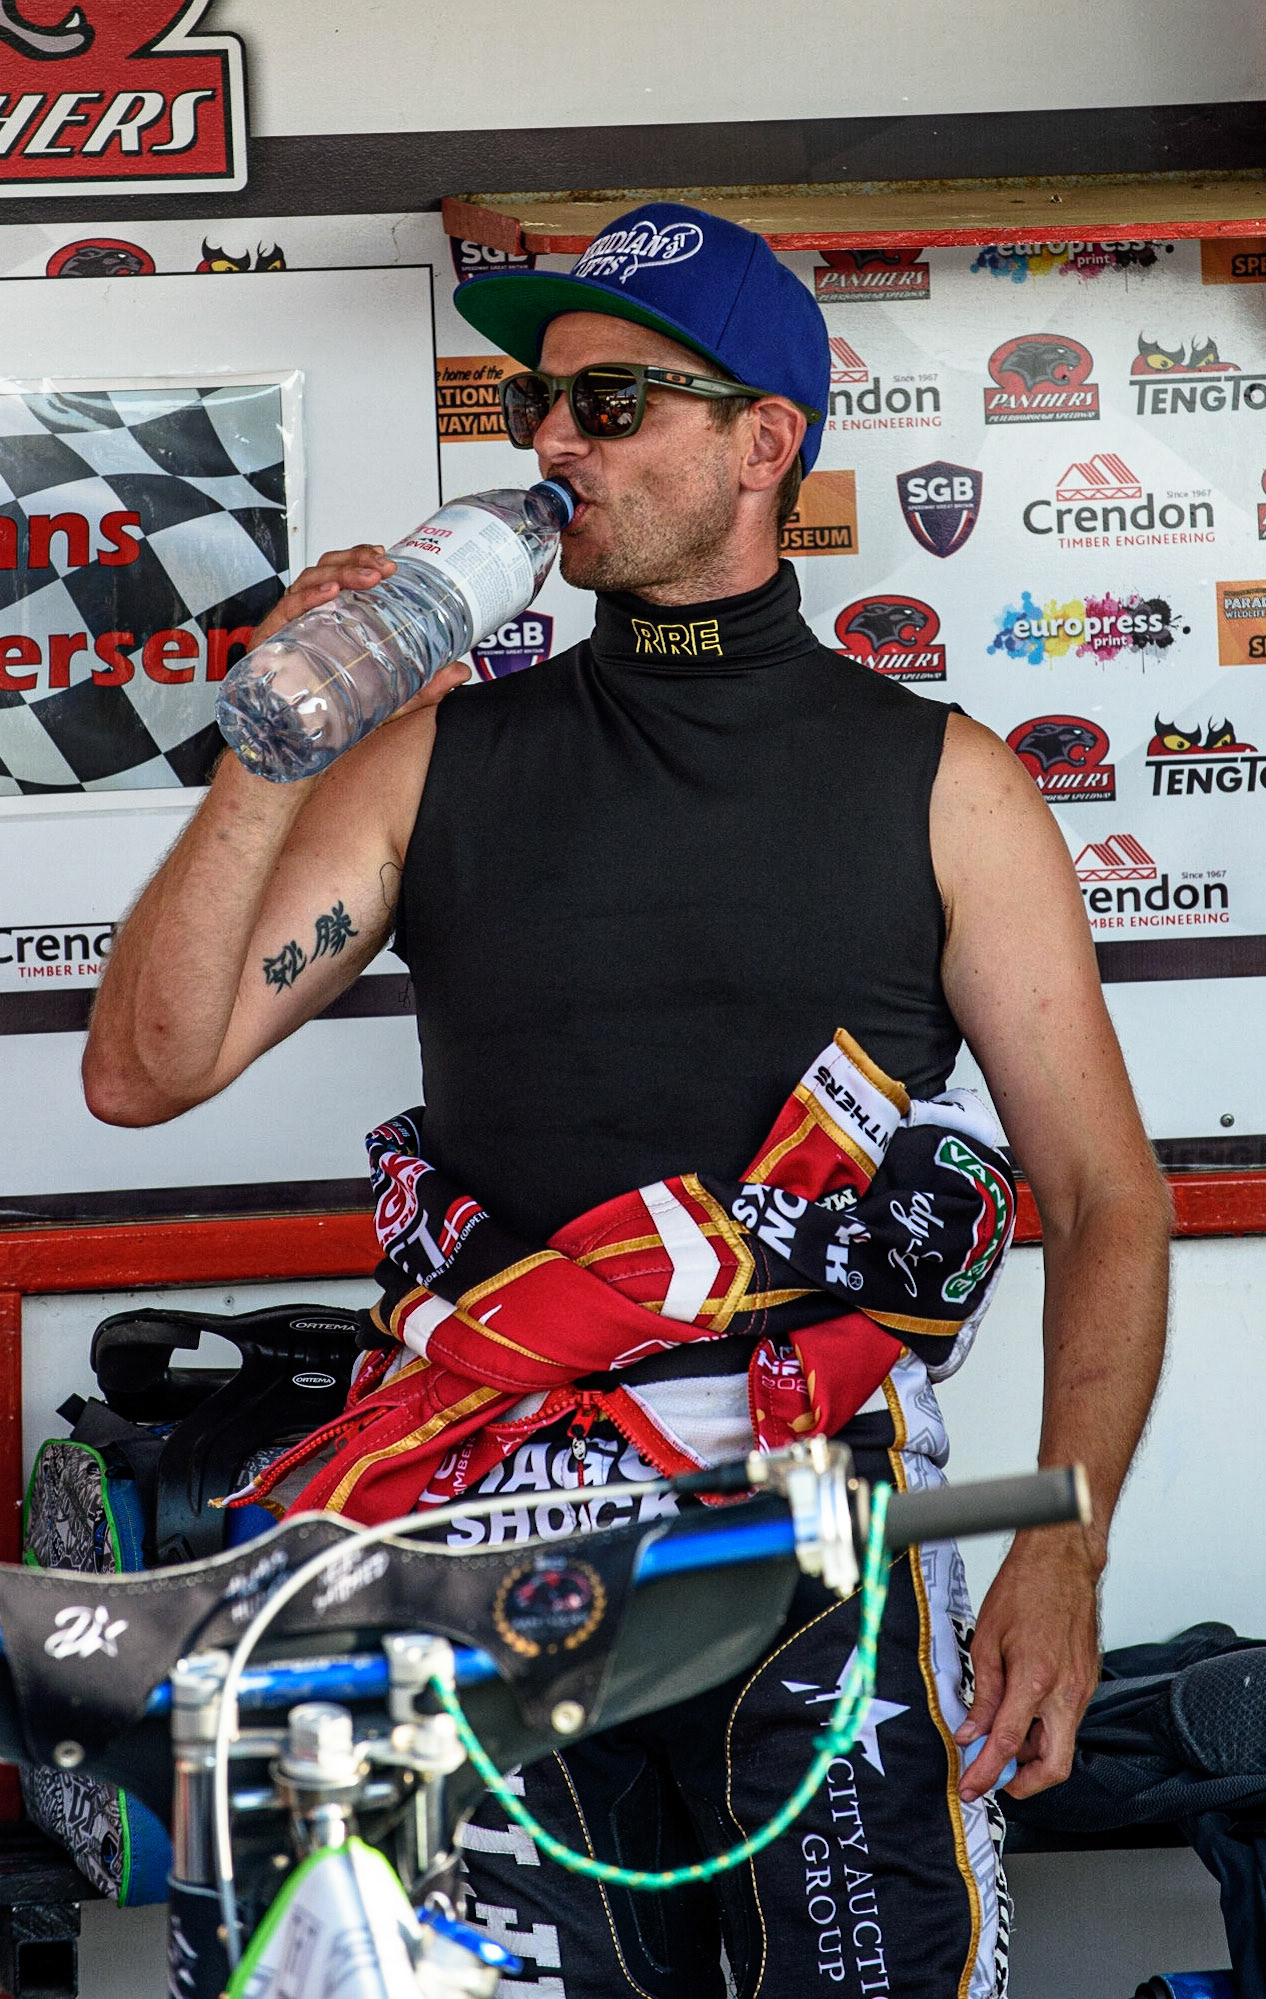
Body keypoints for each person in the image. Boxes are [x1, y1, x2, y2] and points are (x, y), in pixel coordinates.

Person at [83, 202, 1170, 1999]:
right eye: (545, 407)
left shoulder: (949, 787)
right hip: (480, 1526)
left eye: (615, 403)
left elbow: (1109, 1195)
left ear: (765, 443)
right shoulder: (436, 755)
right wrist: (277, 739)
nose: (554, 442)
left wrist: (1061, 1550)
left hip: (820, 1523)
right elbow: (146, 1069)